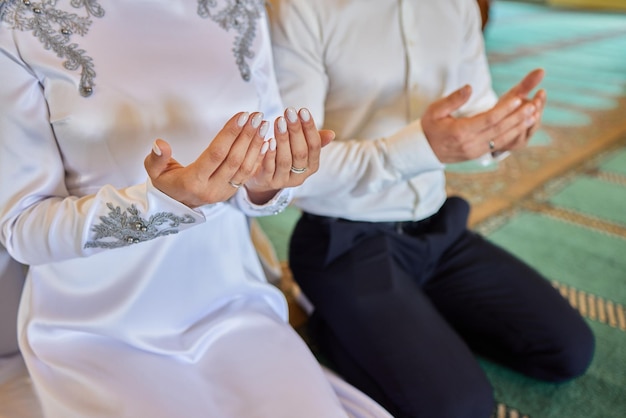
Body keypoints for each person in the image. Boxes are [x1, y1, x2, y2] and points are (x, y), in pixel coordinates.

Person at [0, 1, 394, 417]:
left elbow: (256, 178)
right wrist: (162, 205)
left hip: (231, 305)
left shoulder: (240, 9)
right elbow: (21, 227)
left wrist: (265, 184)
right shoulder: (22, 22)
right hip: (99, 326)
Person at [269, 1, 595, 417]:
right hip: (344, 241)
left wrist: (500, 132)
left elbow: (476, 112)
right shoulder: (300, 9)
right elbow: (295, 167)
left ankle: (410, 317)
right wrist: (421, 146)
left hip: (439, 230)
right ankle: (331, 321)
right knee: (463, 410)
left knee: (567, 351)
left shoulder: (456, 6)